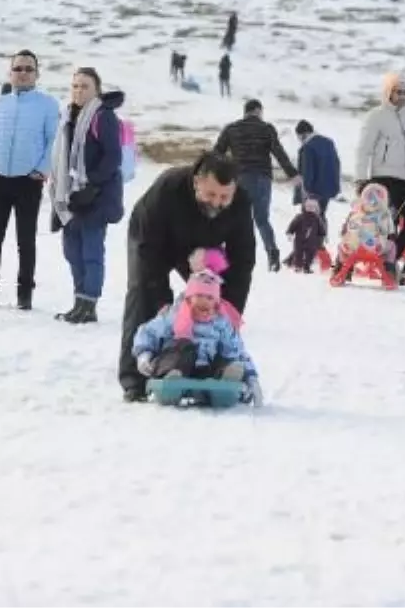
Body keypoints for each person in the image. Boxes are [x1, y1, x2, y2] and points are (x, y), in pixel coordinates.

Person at [118, 152, 257, 402]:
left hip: (201, 250)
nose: (217, 203)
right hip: (153, 241)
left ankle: (212, 368)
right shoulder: (168, 188)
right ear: (196, 182)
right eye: (211, 195)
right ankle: (136, 380)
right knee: (143, 296)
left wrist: (230, 309)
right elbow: (148, 252)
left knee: (213, 306)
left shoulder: (241, 201)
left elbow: (242, 260)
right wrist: (161, 301)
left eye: (224, 197)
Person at [0, 50, 60, 311]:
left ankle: (25, 294)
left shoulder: (47, 104)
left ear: (37, 74)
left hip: (28, 181)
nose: (23, 73)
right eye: (18, 68)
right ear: (10, 72)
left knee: (26, 240)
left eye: (28, 69)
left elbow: (53, 141)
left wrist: (41, 171)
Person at [49, 68, 125, 324]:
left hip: (95, 197)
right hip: (70, 196)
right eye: (75, 86)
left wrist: (92, 185)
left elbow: (112, 157)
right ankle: (78, 301)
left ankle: (89, 305)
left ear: (96, 90)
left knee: (91, 252)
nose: (79, 91)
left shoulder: (103, 117)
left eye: (85, 86)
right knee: (72, 252)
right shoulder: (67, 117)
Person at [132, 270, 263, 406]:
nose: (204, 301)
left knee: (227, 358)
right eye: (199, 295)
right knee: (184, 347)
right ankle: (171, 382)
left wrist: (251, 378)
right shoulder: (175, 315)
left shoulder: (221, 323)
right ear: (189, 297)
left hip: (207, 371)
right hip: (177, 366)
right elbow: (148, 332)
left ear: (216, 302)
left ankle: (225, 383)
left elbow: (237, 350)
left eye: (210, 298)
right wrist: (144, 354)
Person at [353, 73, 405, 278]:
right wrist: (361, 179)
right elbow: (363, 149)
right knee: (388, 224)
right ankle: (385, 266)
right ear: (389, 92)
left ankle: (389, 259)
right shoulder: (376, 116)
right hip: (384, 178)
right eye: (399, 92)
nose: (403, 96)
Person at [214, 99, 300, 271]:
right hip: (262, 178)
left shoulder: (231, 129)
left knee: (234, 217)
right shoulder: (266, 129)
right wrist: (292, 174)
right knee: (261, 219)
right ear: (258, 111)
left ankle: (229, 255)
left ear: (245, 111)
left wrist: (220, 174)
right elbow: (279, 152)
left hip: (239, 179)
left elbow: (216, 154)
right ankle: (272, 252)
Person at [332, 182, 398, 286]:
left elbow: (345, 231)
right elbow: (391, 233)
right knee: (392, 246)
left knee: (341, 246)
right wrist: (390, 237)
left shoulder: (355, 214)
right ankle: (389, 270)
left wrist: (346, 238)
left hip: (353, 248)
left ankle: (341, 268)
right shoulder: (385, 215)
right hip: (376, 248)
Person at [292, 120, 341, 221]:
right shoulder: (329, 142)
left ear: (303, 134)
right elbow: (336, 164)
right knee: (321, 215)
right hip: (328, 188)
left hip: (313, 191)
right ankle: (322, 231)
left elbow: (307, 171)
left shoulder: (308, 147)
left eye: (298, 137)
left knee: (309, 218)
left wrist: (306, 191)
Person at [286, 197, 327, 272]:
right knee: (298, 253)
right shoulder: (300, 217)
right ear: (304, 207)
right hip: (299, 240)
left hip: (312, 242)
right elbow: (293, 225)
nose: (310, 208)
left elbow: (321, 229)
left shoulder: (317, 219)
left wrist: (323, 236)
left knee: (310, 254)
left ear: (316, 208)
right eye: (308, 206)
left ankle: (307, 267)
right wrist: (290, 232)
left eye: (313, 207)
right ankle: (298, 266)